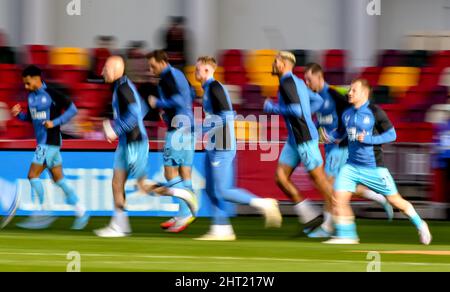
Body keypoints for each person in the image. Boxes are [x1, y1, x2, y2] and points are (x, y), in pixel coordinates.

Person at [322, 79, 432, 245]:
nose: (349, 93)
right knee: (337, 198)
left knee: (396, 201)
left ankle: (420, 224)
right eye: (349, 90)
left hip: (374, 168)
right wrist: (330, 137)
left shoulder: (375, 112)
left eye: (353, 90)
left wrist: (369, 139)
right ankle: (348, 236)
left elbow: (392, 135)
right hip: (351, 166)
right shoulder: (346, 113)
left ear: (364, 93)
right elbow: (341, 133)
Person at [194, 56, 282, 241]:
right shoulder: (207, 89)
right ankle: (221, 228)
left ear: (208, 71)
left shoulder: (215, 87)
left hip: (223, 145)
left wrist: (200, 129)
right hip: (214, 144)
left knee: (224, 191)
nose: (195, 72)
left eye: (198, 69)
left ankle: (264, 204)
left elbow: (227, 116)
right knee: (210, 189)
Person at [303, 63, 393, 238]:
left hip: (340, 147)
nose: (307, 83)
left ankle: (329, 227)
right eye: (305, 80)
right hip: (330, 148)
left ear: (319, 77)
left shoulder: (334, 95)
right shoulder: (315, 98)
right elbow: (321, 121)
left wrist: (344, 137)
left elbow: (354, 115)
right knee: (335, 185)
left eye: (309, 79)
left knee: (330, 185)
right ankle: (378, 197)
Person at [11, 65, 89, 230]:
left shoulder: (52, 93)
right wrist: (20, 115)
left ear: (36, 78)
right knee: (58, 179)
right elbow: (33, 119)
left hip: (50, 141)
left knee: (33, 175)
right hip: (45, 142)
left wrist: (55, 122)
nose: (25, 87)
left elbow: (72, 110)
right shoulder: (31, 97)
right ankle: (81, 211)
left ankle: (42, 212)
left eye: (27, 83)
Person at [263, 52, 334, 232]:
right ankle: (309, 214)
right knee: (280, 177)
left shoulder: (288, 83)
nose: (273, 64)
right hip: (294, 139)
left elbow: (295, 110)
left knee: (319, 180)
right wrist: (306, 114)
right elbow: (317, 100)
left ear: (283, 64)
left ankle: (338, 222)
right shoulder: (297, 82)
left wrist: (273, 108)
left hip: (304, 138)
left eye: (275, 61)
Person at [146, 50, 196, 233]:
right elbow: (191, 93)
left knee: (169, 173)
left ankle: (185, 213)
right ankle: (186, 212)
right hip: (189, 127)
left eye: (153, 66)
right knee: (185, 172)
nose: (151, 70)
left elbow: (177, 99)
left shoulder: (167, 77)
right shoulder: (179, 74)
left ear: (162, 62)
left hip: (177, 129)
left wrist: (158, 103)